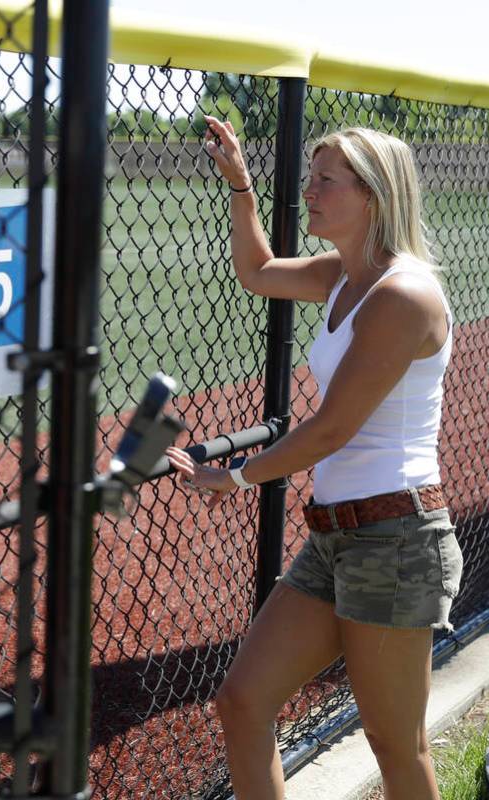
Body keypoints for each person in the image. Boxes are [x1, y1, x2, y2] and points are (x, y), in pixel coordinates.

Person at [164, 116, 464, 800]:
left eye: (325, 181)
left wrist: (235, 475)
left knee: (395, 744)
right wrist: (240, 182)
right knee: (242, 700)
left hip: (395, 539)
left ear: (374, 194)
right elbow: (257, 271)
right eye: (309, 177)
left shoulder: (403, 294)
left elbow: (329, 430)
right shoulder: (342, 274)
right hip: (335, 536)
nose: (308, 192)